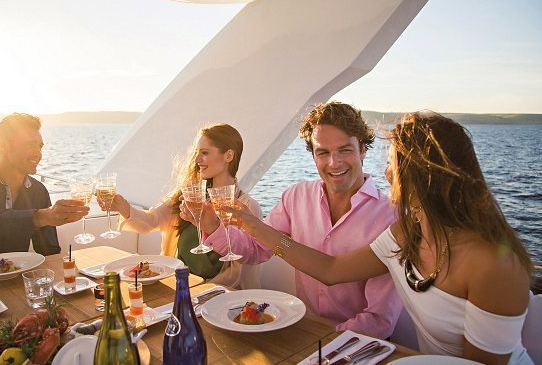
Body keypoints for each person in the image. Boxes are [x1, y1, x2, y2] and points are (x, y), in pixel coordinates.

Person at [225, 111, 533, 364]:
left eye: (391, 163)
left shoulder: (495, 265)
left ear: (423, 173)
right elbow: (330, 270)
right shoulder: (406, 233)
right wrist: (254, 227)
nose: (386, 174)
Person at [197, 102, 402, 339]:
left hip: (358, 343)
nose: (334, 162)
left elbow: (379, 320)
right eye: (323, 152)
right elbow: (256, 250)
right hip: (304, 331)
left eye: (344, 150)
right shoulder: (296, 196)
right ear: (313, 155)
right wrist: (213, 227)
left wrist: (323, 340)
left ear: (363, 150)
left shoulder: (391, 215)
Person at [101, 123, 262, 288]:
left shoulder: (247, 208)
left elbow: (238, 274)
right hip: (178, 285)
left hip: (218, 295)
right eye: (197, 153)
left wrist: (198, 291)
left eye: (205, 153)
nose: (197, 160)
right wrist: (123, 207)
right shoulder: (189, 196)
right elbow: (151, 221)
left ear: (228, 156)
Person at [0, 113, 89, 276]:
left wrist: (70, 278)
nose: (38, 153)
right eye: (30, 145)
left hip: (14, 282)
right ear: (4, 146)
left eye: (40, 146)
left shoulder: (38, 191)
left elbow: (49, 251)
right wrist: (40, 217)